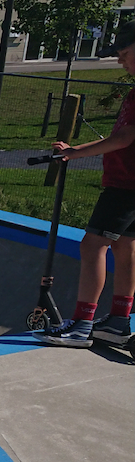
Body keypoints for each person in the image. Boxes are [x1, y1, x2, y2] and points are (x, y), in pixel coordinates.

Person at [42, 20, 135, 348]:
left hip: (127, 186)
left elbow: (125, 138)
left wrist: (75, 152)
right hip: (129, 186)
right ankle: (119, 321)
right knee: (125, 247)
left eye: (124, 53)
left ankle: (81, 324)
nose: (120, 61)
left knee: (93, 245)